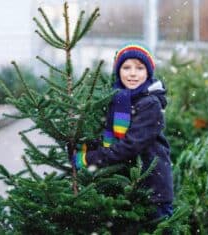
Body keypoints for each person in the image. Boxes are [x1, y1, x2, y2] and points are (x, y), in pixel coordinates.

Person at [72, 43, 174, 222]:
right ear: (118, 71)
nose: (133, 73)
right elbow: (106, 136)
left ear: (148, 73)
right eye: (126, 67)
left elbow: (129, 146)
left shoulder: (150, 103)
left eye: (139, 68)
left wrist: (88, 159)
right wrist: (81, 144)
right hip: (126, 186)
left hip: (152, 188)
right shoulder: (118, 99)